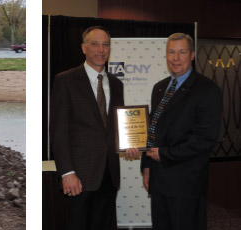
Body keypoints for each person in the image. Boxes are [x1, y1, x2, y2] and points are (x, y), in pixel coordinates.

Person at [126, 33, 222, 230]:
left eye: (182, 52)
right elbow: (152, 130)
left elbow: (206, 138)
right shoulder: (159, 87)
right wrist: (146, 165)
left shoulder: (207, 89)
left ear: (192, 54)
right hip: (159, 179)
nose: (175, 58)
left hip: (186, 183)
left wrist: (165, 154)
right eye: (171, 52)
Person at [49, 26, 124, 229]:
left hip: (109, 174)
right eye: (95, 44)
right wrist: (67, 173)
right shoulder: (65, 80)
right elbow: (58, 131)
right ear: (84, 48)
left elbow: (116, 127)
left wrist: (129, 143)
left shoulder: (117, 84)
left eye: (105, 44)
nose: (100, 49)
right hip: (79, 176)